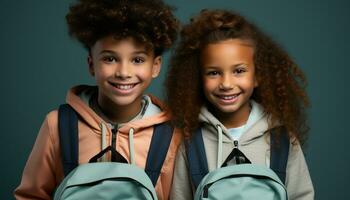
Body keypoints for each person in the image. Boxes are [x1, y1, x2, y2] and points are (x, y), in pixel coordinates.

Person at [14, 0, 181, 199]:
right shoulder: (57, 125)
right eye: (110, 59)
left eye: (137, 60)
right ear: (91, 64)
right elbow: (30, 196)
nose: (124, 72)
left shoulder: (171, 135)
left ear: (155, 66)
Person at [166, 9, 314, 200]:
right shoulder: (191, 143)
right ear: (198, 78)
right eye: (213, 72)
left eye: (239, 71)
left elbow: (302, 196)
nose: (226, 84)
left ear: (257, 76)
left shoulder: (282, 140)